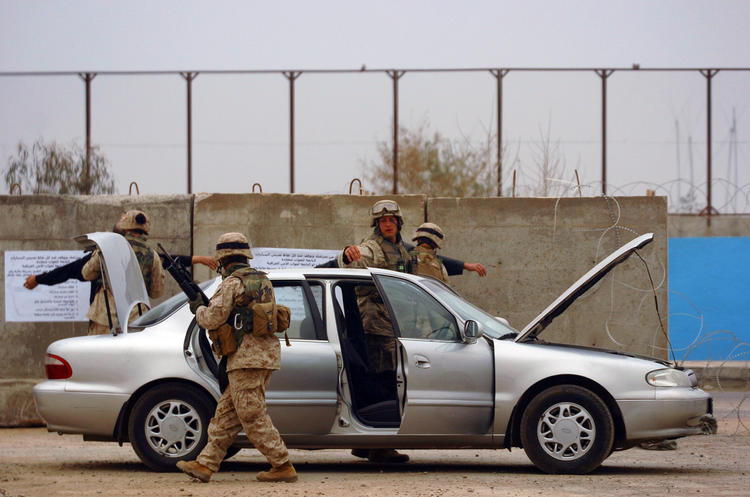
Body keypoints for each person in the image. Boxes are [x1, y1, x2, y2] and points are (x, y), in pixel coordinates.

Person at [176, 232, 297, 484]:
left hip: (246, 358)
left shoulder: (232, 283)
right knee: (227, 414)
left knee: (251, 414)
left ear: (223, 260)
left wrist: (198, 307)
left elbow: (211, 318)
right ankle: (206, 464)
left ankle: (282, 463)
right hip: (263, 356)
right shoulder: (263, 280)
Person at [81, 210, 165, 335]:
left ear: (125, 226)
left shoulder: (108, 247)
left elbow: (86, 274)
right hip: (135, 319)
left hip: (104, 316)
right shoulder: (153, 255)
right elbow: (156, 292)